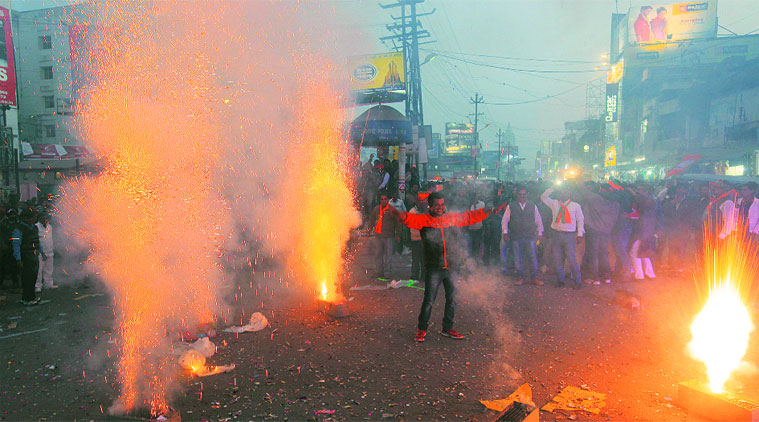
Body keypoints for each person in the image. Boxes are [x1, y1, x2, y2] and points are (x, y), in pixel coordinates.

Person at [387, 191, 503, 342]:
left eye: (442, 204)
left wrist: (489, 211)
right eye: (436, 205)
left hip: (452, 267)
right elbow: (409, 219)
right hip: (434, 268)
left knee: (452, 299)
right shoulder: (423, 220)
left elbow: (470, 217)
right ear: (430, 205)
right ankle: (422, 329)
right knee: (429, 300)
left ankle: (447, 328)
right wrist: (397, 214)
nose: (440, 207)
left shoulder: (451, 218)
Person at [541, 185, 585, 289]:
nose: (563, 194)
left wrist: (579, 234)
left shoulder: (575, 206)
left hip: (569, 235)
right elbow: (543, 197)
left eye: (565, 192)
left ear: (569, 194)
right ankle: (561, 281)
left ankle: (577, 281)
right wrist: (552, 188)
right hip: (556, 234)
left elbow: (580, 220)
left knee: (571, 259)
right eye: (561, 192)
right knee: (557, 259)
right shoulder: (554, 203)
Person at [578, 182, 619, 285]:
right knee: (604, 254)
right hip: (606, 231)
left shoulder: (595, 198)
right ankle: (606, 277)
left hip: (593, 230)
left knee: (593, 255)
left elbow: (583, 190)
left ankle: (595, 278)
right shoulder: (616, 204)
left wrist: (578, 178)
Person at [501, 186, 544, 286]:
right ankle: (520, 277)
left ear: (527, 195)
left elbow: (538, 220)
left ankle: (535, 278)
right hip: (516, 236)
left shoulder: (532, 205)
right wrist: (505, 232)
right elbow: (505, 220)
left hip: (530, 236)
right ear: (517, 195)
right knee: (517, 258)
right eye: (520, 195)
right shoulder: (511, 206)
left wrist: (540, 233)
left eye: (524, 195)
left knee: (533, 257)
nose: (522, 196)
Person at [629, 183, 658, 280]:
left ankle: (639, 275)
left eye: (641, 189)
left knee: (635, 253)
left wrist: (633, 194)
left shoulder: (644, 202)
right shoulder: (653, 201)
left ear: (646, 191)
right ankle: (650, 274)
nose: (638, 191)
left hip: (641, 232)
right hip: (648, 231)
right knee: (644, 253)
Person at [13, 208, 40, 306]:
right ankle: (27, 298)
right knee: (27, 278)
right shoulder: (18, 229)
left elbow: (37, 241)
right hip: (25, 256)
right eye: (28, 217)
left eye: (31, 217)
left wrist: (39, 251)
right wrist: (18, 258)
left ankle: (31, 296)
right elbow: (16, 244)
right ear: (23, 218)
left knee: (33, 277)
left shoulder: (33, 227)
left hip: (33, 255)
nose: (30, 219)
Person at [370, 193, 400, 278]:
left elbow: (398, 223)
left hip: (388, 236)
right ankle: (378, 271)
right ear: (380, 200)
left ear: (388, 200)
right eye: (382, 199)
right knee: (378, 254)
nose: (383, 201)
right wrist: (369, 230)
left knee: (388, 255)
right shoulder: (376, 209)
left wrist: (398, 234)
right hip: (378, 236)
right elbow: (372, 220)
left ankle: (387, 272)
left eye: (385, 199)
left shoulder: (392, 210)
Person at [408, 192, 429, 282]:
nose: (422, 203)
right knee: (417, 258)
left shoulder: (426, 211)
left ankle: (422, 276)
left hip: (423, 239)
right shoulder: (413, 211)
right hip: (416, 238)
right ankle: (415, 275)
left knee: (422, 259)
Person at [35, 213, 56, 291]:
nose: (44, 219)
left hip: (50, 250)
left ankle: (48, 283)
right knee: (39, 269)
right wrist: (41, 251)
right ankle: (38, 285)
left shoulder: (49, 227)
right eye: (42, 218)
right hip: (41, 252)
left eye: (45, 218)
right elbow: (37, 240)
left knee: (49, 268)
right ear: (39, 218)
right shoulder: (36, 227)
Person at [466, 192, 485, 260]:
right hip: (470, 229)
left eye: (477, 195)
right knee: (470, 246)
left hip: (479, 228)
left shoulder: (482, 204)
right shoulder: (469, 205)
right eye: (475, 196)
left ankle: (475, 260)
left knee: (477, 245)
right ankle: (470, 261)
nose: (476, 197)